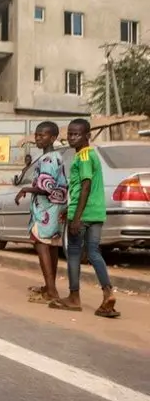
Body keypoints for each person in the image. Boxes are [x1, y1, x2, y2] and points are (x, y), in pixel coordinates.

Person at [55, 119, 119, 318]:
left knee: (74, 253)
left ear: (87, 136)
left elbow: (85, 186)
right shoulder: (92, 155)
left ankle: (74, 297)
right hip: (97, 213)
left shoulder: (83, 156)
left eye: (77, 134)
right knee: (93, 252)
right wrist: (68, 208)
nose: (72, 138)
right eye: (70, 134)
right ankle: (108, 292)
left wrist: (76, 217)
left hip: (82, 214)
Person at [15, 122, 67, 304]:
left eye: (42, 135)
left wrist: (26, 189)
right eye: (36, 135)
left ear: (53, 138)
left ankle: (51, 291)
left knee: (41, 245)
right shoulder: (56, 156)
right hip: (55, 208)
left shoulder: (48, 160)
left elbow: (46, 187)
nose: (38, 138)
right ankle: (49, 286)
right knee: (51, 246)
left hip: (45, 210)